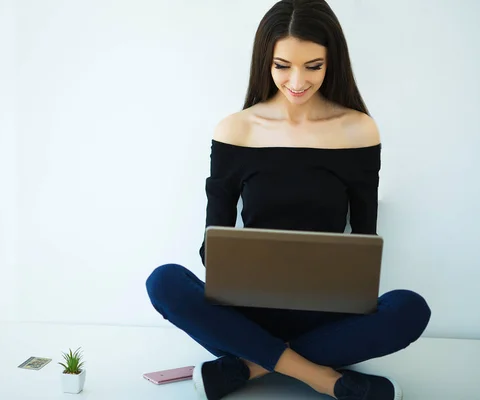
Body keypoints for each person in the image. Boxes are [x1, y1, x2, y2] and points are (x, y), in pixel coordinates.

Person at [146, 0, 431, 399]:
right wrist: (242, 268)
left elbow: (365, 241)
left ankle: (248, 368)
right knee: (165, 282)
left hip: (325, 319)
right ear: (266, 61)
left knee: (410, 309)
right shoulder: (236, 129)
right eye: (283, 65)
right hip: (245, 317)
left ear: (334, 61)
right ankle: (327, 380)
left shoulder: (359, 130)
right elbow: (213, 243)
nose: (297, 81)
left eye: (313, 66)